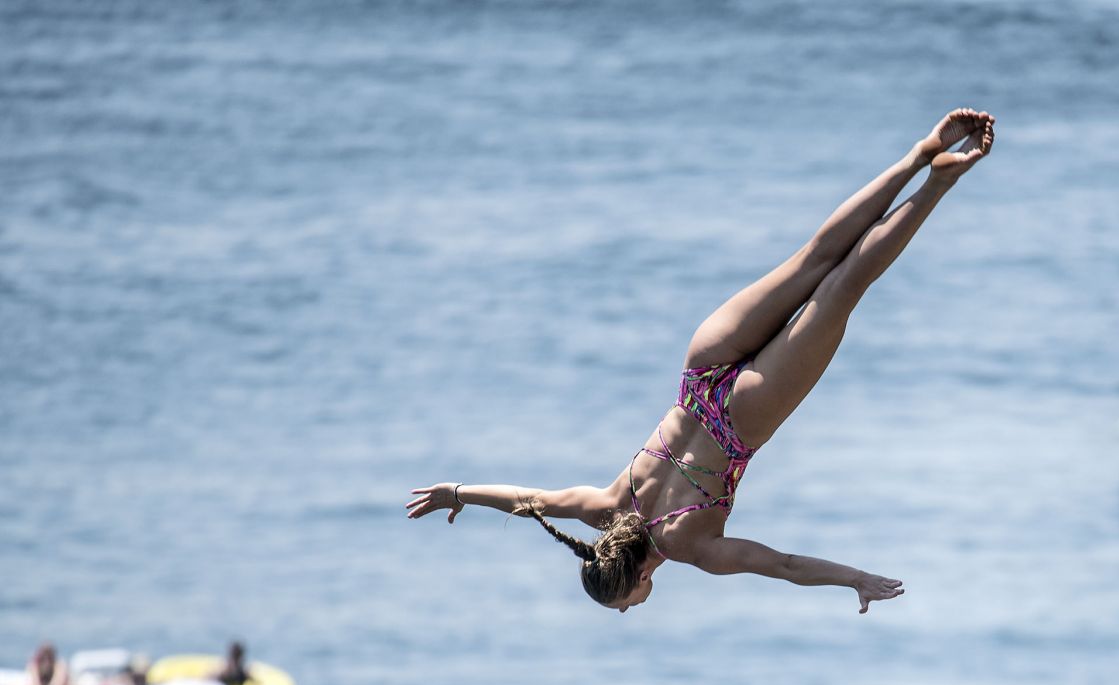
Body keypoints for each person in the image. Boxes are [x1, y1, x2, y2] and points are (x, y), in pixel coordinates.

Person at [405, 109, 997, 617]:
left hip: (745, 416)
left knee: (844, 286)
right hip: (700, 373)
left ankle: (936, 187)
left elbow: (784, 566)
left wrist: (856, 579)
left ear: (638, 579)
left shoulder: (689, 547)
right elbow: (525, 498)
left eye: (625, 605)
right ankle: (920, 153)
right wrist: (457, 492)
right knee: (816, 256)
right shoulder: (606, 505)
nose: (633, 610)